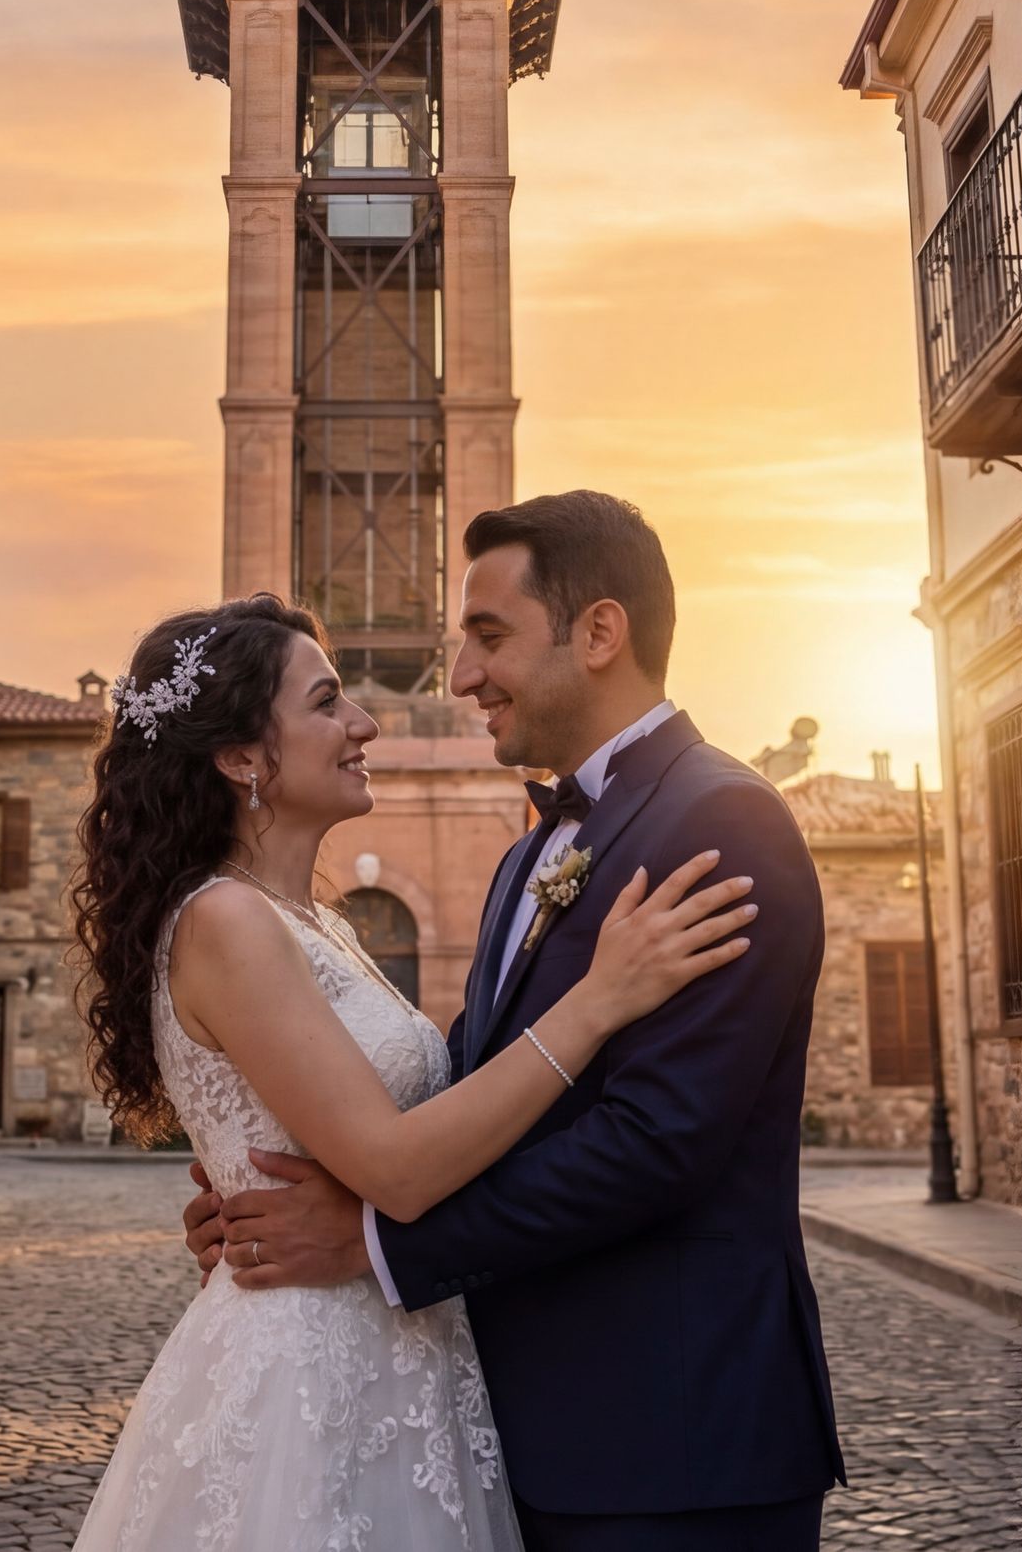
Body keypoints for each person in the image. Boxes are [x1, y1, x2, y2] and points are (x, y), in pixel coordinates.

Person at [183, 491, 846, 1549]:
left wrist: (365, 1240)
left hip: (675, 1439)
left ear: (598, 633)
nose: (460, 677)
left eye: (489, 637)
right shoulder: (521, 858)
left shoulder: (724, 820)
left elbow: (658, 1141)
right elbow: (465, 1085)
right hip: (516, 1432)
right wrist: (277, 1170)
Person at [69, 589, 759, 1551]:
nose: (365, 722)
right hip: (306, 1369)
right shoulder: (226, 920)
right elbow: (394, 1163)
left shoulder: (319, 924)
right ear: (238, 757)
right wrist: (600, 998)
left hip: (406, 1351)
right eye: (326, 701)